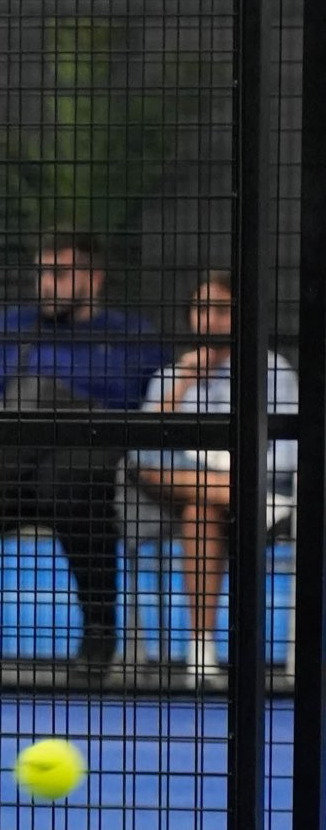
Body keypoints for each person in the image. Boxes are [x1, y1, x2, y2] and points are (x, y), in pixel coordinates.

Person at [0, 234, 163, 680]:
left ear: (94, 278)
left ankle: (98, 634)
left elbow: (157, 407)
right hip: (5, 465)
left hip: (85, 462)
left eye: (60, 273)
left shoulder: (133, 336)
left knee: (69, 477)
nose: (47, 285)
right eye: (42, 274)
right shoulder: (9, 325)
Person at [128, 271, 298, 689]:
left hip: (255, 483)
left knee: (200, 509)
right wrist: (184, 383)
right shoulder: (172, 375)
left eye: (221, 309)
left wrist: (232, 472)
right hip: (185, 489)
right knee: (156, 472)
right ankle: (201, 651)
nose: (209, 319)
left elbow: (288, 454)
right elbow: (142, 449)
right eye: (201, 309)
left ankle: (200, 649)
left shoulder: (273, 371)